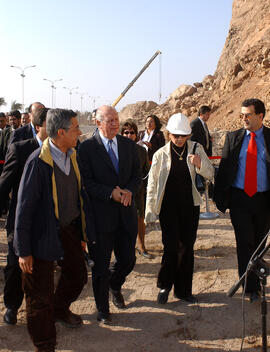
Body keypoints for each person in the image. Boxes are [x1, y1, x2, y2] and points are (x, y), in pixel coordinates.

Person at [14, 109, 88, 352]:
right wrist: (24, 251)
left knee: (78, 274)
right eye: (76, 128)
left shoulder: (72, 156)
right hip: (40, 236)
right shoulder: (38, 162)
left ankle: (60, 309)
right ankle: (45, 345)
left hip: (67, 230)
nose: (80, 132)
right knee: (39, 296)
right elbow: (24, 209)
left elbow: (77, 198)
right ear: (61, 132)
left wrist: (82, 235)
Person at [78, 105, 141, 324]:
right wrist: (109, 193)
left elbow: (137, 175)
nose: (115, 124)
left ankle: (115, 285)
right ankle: (103, 309)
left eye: (117, 119)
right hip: (100, 218)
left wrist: (130, 191)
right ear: (98, 123)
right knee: (100, 267)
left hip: (126, 215)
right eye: (110, 120)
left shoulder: (129, 146)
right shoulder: (86, 149)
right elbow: (86, 182)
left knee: (128, 260)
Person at [145, 113, 214, 304]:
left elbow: (210, 173)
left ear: (188, 135)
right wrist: (150, 212)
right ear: (169, 134)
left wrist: (199, 164)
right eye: (175, 135)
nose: (179, 139)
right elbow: (152, 184)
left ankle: (183, 290)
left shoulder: (196, 149)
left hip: (190, 207)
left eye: (183, 135)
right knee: (170, 247)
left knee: (187, 248)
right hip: (168, 208)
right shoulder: (161, 155)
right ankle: (165, 286)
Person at [214, 98, 270, 303]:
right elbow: (225, 169)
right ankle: (249, 287)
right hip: (240, 199)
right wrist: (220, 198)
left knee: (259, 243)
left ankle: (256, 279)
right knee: (244, 243)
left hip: (264, 200)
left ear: (260, 116)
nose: (243, 119)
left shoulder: (269, 138)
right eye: (242, 115)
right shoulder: (233, 138)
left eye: (248, 115)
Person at [0, 108, 48, 325]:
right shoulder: (20, 149)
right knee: (14, 264)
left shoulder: (62, 151)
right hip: (19, 219)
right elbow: (4, 185)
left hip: (46, 220)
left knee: (41, 266)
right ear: (38, 127)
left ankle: (39, 308)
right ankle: (11, 305)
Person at [121, 119, 153, 259]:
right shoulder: (116, 150)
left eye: (132, 132)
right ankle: (126, 249)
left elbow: (146, 171)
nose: (129, 135)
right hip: (121, 193)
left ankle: (141, 246)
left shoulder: (141, 151)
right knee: (122, 222)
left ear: (136, 135)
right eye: (126, 132)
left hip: (139, 192)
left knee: (140, 219)